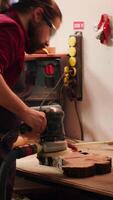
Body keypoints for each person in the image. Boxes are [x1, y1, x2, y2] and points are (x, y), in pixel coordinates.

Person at [0, 0, 62, 199]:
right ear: (37, 15)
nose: (48, 42)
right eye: (50, 31)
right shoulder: (9, 28)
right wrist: (25, 112)